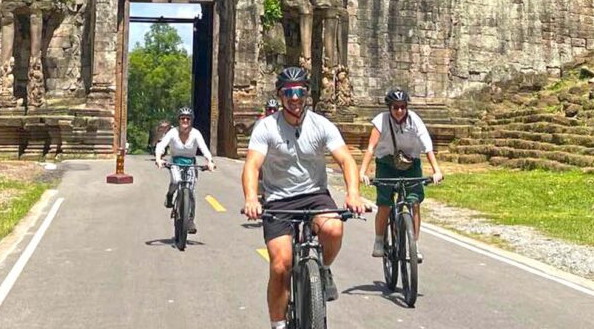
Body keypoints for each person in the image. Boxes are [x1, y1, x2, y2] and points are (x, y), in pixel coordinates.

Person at [242, 66, 364, 329]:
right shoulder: (266, 127)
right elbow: (252, 165)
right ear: (280, 94)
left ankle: (323, 267)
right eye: (288, 92)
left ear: (307, 93)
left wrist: (353, 193)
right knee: (280, 265)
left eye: (300, 91)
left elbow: (345, 159)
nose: (294, 98)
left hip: (315, 195)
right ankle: (278, 324)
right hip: (279, 200)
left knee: (333, 228)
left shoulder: (321, 125)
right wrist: (252, 198)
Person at [359, 88, 444, 263]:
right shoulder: (380, 121)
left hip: (411, 163)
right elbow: (370, 148)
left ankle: (414, 244)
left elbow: (427, 146)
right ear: (389, 108)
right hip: (386, 163)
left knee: (414, 202)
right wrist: (363, 171)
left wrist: (436, 170)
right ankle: (379, 239)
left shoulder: (415, 121)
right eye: (395, 107)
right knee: (384, 204)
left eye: (402, 107)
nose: (399, 111)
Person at [155, 106, 216, 233]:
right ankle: (170, 195)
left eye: (188, 119)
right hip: (176, 162)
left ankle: (190, 220)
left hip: (190, 163)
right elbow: (162, 145)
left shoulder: (195, 133)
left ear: (191, 120)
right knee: (176, 182)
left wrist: (209, 161)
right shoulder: (172, 133)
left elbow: (204, 149)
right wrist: (158, 158)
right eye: (183, 118)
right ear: (179, 120)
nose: (185, 121)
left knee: (191, 192)